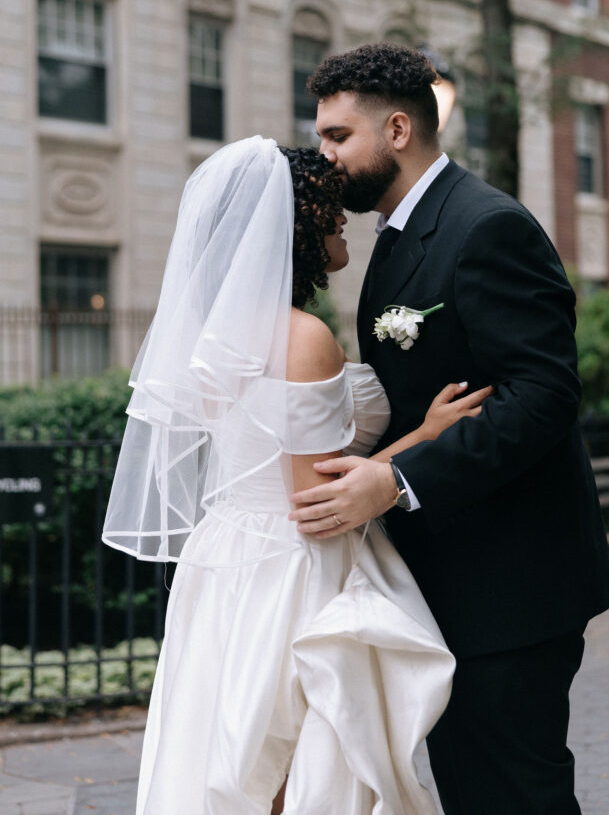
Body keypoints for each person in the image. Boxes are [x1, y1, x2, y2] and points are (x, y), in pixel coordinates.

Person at [102, 136, 492, 815]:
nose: (342, 218)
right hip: (290, 568)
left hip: (227, 558)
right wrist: (423, 438)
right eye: (328, 212)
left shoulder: (215, 334)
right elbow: (317, 500)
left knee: (239, 754)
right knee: (290, 761)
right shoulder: (301, 337)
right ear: (295, 228)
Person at [289, 43, 609, 815]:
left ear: (397, 130)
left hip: (511, 583)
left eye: (338, 137)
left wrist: (398, 480)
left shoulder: (486, 226)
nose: (325, 156)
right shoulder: (403, 234)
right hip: (448, 581)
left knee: (515, 794)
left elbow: (541, 395)